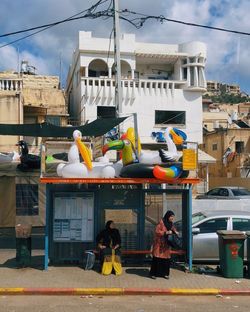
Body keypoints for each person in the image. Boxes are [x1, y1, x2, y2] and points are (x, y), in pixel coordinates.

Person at [149, 210, 179, 279]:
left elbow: (173, 228)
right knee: (157, 259)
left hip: (166, 245)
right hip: (159, 244)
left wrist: (175, 231)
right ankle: (153, 274)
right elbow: (157, 231)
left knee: (166, 259)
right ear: (167, 216)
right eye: (171, 216)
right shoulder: (161, 223)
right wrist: (166, 232)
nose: (172, 218)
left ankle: (165, 274)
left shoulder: (171, 223)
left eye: (173, 217)